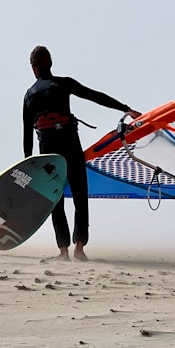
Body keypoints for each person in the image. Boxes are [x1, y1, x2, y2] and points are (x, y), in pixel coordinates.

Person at [23, 46, 141, 261]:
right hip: (69, 143)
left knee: (55, 199)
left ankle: (63, 251)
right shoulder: (64, 83)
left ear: (33, 68)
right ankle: (79, 247)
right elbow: (95, 96)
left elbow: (27, 135)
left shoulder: (29, 95)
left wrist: (29, 164)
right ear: (50, 63)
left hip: (48, 151)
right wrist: (125, 108)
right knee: (79, 193)